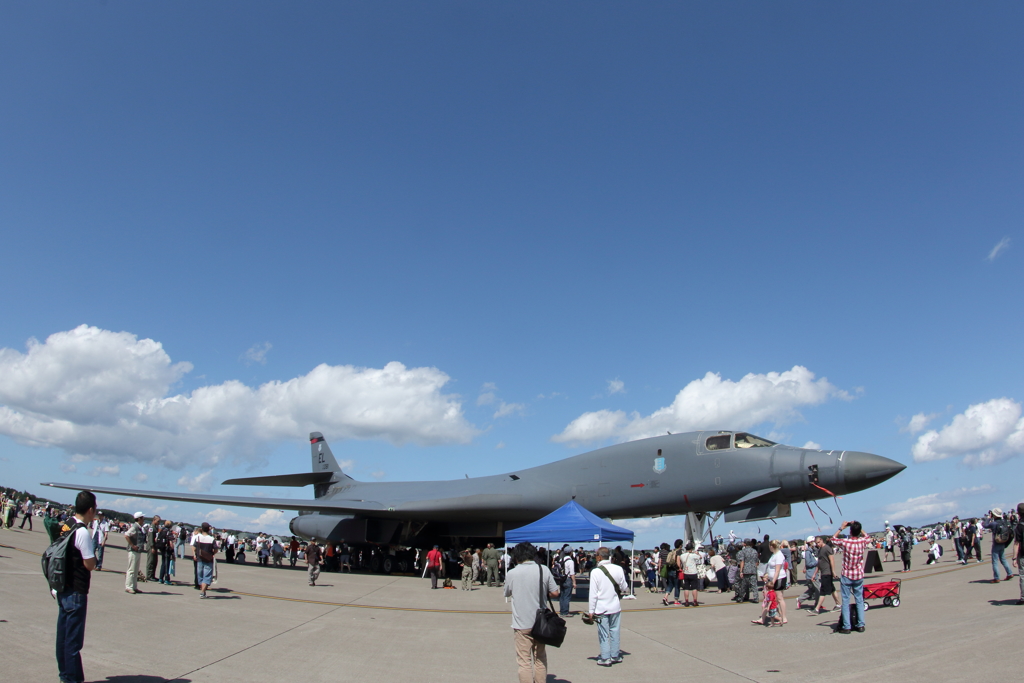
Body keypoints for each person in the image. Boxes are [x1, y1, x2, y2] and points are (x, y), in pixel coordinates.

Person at [54, 491, 98, 683]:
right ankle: (72, 679)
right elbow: (90, 564)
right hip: (76, 592)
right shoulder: (81, 531)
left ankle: (65, 675)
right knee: (73, 642)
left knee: (63, 639)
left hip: (63, 588)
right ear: (90, 510)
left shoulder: (67, 525)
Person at [505, 542, 559, 683]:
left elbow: (507, 592)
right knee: (540, 657)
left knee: (524, 661)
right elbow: (555, 592)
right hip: (540, 622)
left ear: (516, 556)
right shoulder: (543, 570)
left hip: (521, 623)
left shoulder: (512, 573)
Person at [588, 546, 628, 666]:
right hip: (615, 606)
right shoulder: (618, 569)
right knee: (615, 631)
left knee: (603, 633)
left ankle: (605, 657)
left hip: (601, 607)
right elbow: (624, 587)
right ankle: (615, 655)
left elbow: (593, 594)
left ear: (599, 557)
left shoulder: (595, 571)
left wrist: (591, 610)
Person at [831, 520, 872, 633]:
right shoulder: (862, 542)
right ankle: (860, 624)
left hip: (847, 575)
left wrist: (841, 528)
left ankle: (847, 626)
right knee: (859, 600)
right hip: (858, 574)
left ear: (850, 531)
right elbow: (867, 536)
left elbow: (833, 539)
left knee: (845, 600)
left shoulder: (846, 542)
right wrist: (858, 527)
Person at [753, 539, 788, 625]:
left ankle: (783, 617)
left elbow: (777, 570)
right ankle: (762, 618)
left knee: (779, 598)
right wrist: (767, 575)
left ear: (772, 547)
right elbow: (770, 568)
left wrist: (773, 582)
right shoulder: (773, 555)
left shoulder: (779, 555)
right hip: (771, 578)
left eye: (769, 546)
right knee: (767, 598)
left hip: (779, 579)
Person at [981, 509, 1015, 582]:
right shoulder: (1005, 521)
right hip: (1003, 541)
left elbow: (985, 525)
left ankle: (996, 577)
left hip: (997, 542)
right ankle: (1009, 573)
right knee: (1003, 559)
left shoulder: (994, 523)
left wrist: (989, 518)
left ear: (994, 515)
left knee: (995, 561)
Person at [810, 536, 840, 614]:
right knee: (832, 589)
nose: (817, 544)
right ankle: (838, 604)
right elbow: (819, 564)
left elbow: (832, 560)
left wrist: (833, 571)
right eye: (816, 543)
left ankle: (816, 609)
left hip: (827, 572)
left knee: (823, 591)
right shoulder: (820, 551)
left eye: (818, 542)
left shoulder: (827, 548)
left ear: (822, 541)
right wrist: (814, 574)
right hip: (823, 573)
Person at [192, 522, 216, 598]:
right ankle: (202, 592)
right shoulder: (211, 539)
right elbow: (216, 549)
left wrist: (194, 555)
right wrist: (212, 553)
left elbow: (194, 548)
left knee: (200, 575)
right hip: (208, 559)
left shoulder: (198, 538)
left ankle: (202, 591)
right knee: (207, 575)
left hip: (200, 558)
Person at [123, 512, 145, 594]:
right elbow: (126, 535)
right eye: (142, 518)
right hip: (133, 551)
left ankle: (134, 586)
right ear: (139, 519)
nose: (143, 519)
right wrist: (132, 545)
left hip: (137, 551)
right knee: (131, 570)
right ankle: (129, 586)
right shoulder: (135, 527)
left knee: (135, 570)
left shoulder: (139, 527)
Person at [797, 535, 820, 610]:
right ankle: (817, 605)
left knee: (812, 590)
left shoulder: (813, 551)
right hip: (811, 573)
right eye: (813, 542)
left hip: (814, 572)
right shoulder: (808, 552)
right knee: (818, 589)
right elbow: (808, 564)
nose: (814, 543)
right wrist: (817, 562)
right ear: (810, 543)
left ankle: (800, 599)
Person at [734, 539, 760, 603]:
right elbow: (757, 561)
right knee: (754, 585)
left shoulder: (743, 551)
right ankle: (756, 598)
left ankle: (741, 598)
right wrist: (754, 567)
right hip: (753, 569)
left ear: (745, 544)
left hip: (746, 570)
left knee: (744, 585)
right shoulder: (754, 551)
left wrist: (741, 571)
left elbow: (742, 561)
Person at [678, 541, 701, 607]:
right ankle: (695, 601)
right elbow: (700, 557)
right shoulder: (693, 555)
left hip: (686, 572)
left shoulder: (682, 556)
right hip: (693, 572)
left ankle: (686, 601)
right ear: (691, 549)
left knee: (686, 588)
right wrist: (697, 553)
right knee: (694, 588)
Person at [556, 548, 576, 616]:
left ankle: (562, 610)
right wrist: (574, 582)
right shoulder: (570, 561)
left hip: (562, 578)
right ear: (570, 552)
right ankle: (565, 612)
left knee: (562, 595)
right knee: (567, 596)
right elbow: (572, 573)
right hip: (568, 579)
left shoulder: (561, 559)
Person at [1013, 502, 1024, 605]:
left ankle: (1023, 597)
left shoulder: (1019, 526)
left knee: (1023, 576)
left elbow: (1017, 543)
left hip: (1023, 553)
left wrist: (1014, 558)